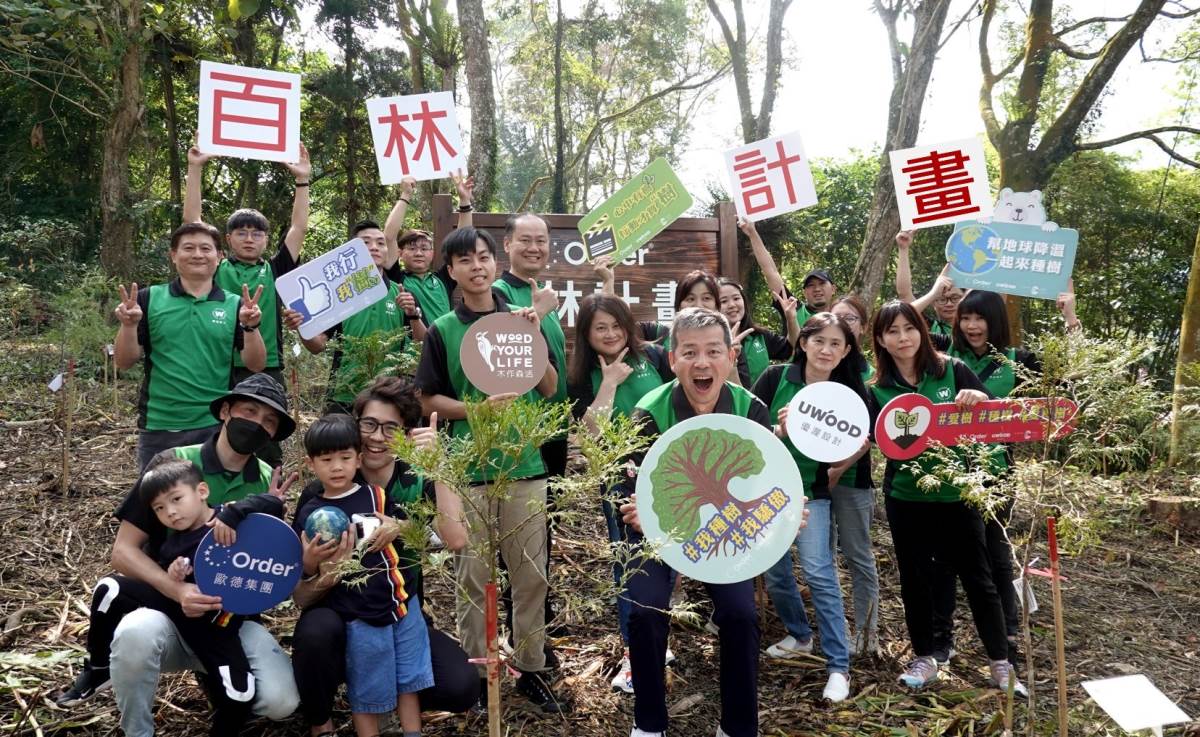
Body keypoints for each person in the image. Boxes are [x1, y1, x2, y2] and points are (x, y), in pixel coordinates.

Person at [413, 226, 568, 712]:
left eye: (483, 257)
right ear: (452, 270)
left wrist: (534, 332)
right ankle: (480, 675)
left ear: (495, 263)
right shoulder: (442, 330)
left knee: (531, 575)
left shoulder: (518, 319)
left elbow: (548, 387)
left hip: (526, 466)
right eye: (465, 260)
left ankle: (532, 667)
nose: (476, 267)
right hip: (469, 471)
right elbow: (427, 399)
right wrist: (475, 410)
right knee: (474, 577)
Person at [103, 374, 300, 737]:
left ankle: (215, 678)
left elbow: (265, 566)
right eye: (249, 411)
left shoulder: (266, 480)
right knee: (134, 635)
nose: (257, 424)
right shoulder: (175, 463)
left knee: (281, 702)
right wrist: (177, 590)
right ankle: (137, 731)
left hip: (229, 621)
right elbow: (123, 551)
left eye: (269, 421)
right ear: (225, 411)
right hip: (168, 611)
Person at [611, 307, 770, 737]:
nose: (702, 363)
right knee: (645, 611)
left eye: (714, 351)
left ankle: (737, 725)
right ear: (673, 359)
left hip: (726, 527)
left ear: (731, 357)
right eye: (690, 352)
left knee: (740, 614)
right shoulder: (648, 412)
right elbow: (628, 485)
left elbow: (768, 481)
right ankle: (649, 722)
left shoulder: (750, 409)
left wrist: (786, 513)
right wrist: (636, 511)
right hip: (657, 529)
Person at [291, 377, 478, 737]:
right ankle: (320, 720)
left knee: (460, 685)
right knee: (316, 634)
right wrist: (320, 569)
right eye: (369, 425)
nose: (377, 437)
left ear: (407, 433)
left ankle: (390, 699)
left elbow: (455, 538)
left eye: (391, 428)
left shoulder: (415, 479)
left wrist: (438, 466)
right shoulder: (325, 489)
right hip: (340, 616)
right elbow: (300, 595)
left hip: (397, 612)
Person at [867, 300, 1024, 695]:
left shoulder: (952, 370)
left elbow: (995, 419)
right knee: (915, 580)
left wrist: (979, 399)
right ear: (881, 340)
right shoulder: (876, 389)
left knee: (979, 579)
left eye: (909, 328)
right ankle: (925, 658)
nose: (903, 338)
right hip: (906, 498)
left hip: (959, 494)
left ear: (922, 331)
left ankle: (1001, 663)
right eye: (892, 331)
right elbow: (865, 437)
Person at [60, 459, 285, 735]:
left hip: (220, 628)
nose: (171, 512)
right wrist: (175, 573)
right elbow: (169, 574)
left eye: (176, 499)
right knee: (109, 588)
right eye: (160, 508)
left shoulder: (231, 516)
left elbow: (272, 505)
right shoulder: (173, 543)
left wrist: (234, 514)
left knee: (239, 695)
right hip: (177, 614)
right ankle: (99, 667)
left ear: (202, 491)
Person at [293, 415, 433, 737]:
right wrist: (310, 561)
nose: (337, 467)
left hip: (400, 601)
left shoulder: (376, 496)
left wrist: (399, 526)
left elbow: (418, 532)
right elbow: (302, 573)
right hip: (357, 613)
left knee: (409, 678)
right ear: (311, 464)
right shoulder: (311, 512)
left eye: (345, 458)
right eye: (326, 460)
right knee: (367, 686)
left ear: (358, 459)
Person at [751, 313, 866, 702]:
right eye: (819, 341)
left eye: (836, 344)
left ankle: (838, 667)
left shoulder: (846, 393)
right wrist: (781, 430)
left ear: (846, 351)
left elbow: (848, 450)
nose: (826, 350)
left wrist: (846, 459)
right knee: (777, 572)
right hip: (768, 492)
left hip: (812, 492)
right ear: (803, 343)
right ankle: (800, 635)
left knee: (819, 572)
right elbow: (750, 430)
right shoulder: (775, 378)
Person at [567, 293, 675, 694]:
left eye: (616, 326)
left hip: (669, 469)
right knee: (628, 562)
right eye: (600, 328)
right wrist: (610, 382)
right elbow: (590, 435)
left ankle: (658, 636)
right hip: (620, 478)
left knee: (667, 555)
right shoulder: (581, 375)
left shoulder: (655, 357)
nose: (610, 334)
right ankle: (635, 652)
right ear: (586, 333)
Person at [183, 141, 312, 466]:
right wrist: (195, 168)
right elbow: (192, 224)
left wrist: (302, 180)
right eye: (241, 233)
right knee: (214, 435)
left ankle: (270, 489)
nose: (249, 238)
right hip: (218, 365)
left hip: (267, 367)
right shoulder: (215, 267)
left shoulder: (276, 269)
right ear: (228, 240)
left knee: (266, 438)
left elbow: (299, 228)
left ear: (266, 239)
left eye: (257, 233)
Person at [114, 222, 267, 470]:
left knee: (211, 495)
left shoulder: (236, 305)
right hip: (160, 425)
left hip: (216, 424)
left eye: (206, 248)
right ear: (173, 255)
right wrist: (129, 326)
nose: (197, 254)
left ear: (219, 256)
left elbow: (256, 364)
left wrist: (250, 327)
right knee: (160, 495)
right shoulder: (148, 299)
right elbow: (123, 362)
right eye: (188, 248)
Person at [287, 219, 419, 414]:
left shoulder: (402, 294)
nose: (374, 247)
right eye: (365, 243)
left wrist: (413, 315)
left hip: (389, 396)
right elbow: (318, 345)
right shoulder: (339, 294)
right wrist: (302, 326)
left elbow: (422, 342)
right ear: (351, 251)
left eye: (380, 243)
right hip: (344, 395)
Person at [826, 295, 881, 656]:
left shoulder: (870, 373)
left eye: (851, 319)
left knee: (859, 556)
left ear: (862, 327)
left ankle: (866, 633)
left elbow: (871, 434)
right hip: (815, 483)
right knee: (823, 559)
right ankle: (835, 632)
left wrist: (840, 468)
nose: (845, 324)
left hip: (853, 479)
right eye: (838, 317)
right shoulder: (819, 364)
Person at [595, 258, 749, 385]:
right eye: (690, 299)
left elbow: (741, 399)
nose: (698, 305)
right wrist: (608, 282)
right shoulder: (658, 333)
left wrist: (731, 361)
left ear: (717, 306)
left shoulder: (729, 344)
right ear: (678, 305)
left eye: (706, 298)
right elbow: (617, 327)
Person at [382, 171, 475, 325]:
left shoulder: (443, 279)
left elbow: (462, 243)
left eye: (424, 248)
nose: (419, 253)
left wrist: (465, 201)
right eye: (412, 248)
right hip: (411, 341)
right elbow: (389, 237)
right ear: (400, 253)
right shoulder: (397, 279)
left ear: (432, 253)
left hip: (444, 340)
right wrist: (406, 194)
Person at [894, 230, 962, 336]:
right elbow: (904, 294)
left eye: (955, 298)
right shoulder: (930, 329)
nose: (949, 304)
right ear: (933, 303)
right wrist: (903, 249)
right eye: (942, 299)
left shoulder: (980, 328)